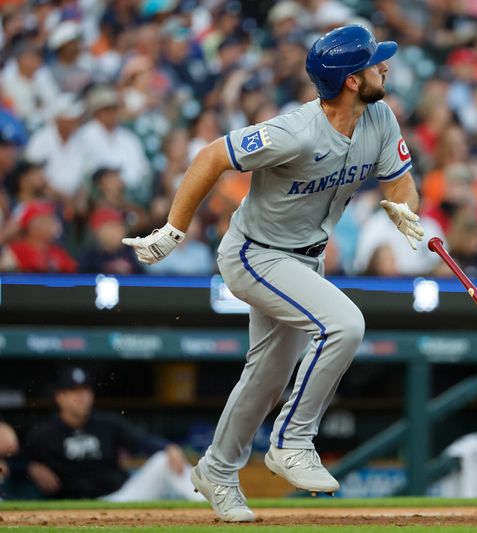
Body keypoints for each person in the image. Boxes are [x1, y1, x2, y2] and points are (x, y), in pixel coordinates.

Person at [122, 25, 423, 522]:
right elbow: (213, 155)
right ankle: (292, 442)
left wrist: (404, 209)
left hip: (306, 257)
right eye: (374, 62)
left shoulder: (381, 118)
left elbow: (401, 185)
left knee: (266, 377)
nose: (384, 66)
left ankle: (216, 470)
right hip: (254, 254)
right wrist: (175, 230)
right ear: (351, 80)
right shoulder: (295, 131)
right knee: (345, 325)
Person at [24, 366, 201, 501]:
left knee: (164, 459)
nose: (83, 397)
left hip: (120, 499)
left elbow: (141, 442)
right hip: (74, 507)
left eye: (86, 390)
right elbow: (15, 457)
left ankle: (205, 503)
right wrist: (30, 467)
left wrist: (169, 447)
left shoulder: (107, 423)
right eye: (75, 392)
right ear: (60, 397)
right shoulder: (44, 433)